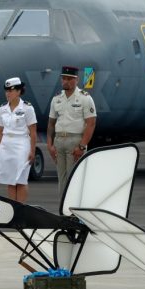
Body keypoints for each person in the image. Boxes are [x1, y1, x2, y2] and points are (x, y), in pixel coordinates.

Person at [47, 65, 97, 197]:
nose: (66, 81)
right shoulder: (56, 99)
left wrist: (82, 145)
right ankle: (64, 212)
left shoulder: (85, 98)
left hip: (75, 141)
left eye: (69, 79)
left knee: (74, 179)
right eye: (64, 78)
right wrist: (49, 145)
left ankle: (74, 213)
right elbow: (51, 123)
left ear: (77, 80)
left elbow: (91, 123)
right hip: (59, 141)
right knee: (62, 180)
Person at [0, 77, 38, 203]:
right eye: (6, 91)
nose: (8, 93)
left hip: (21, 144)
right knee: (10, 180)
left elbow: (33, 131)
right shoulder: (3, 108)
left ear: (18, 91)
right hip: (6, 146)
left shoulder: (27, 108)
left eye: (11, 91)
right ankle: (13, 209)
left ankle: (21, 210)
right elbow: (0, 131)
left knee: (21, 180)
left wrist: (32, 150)